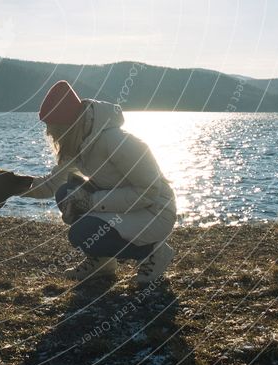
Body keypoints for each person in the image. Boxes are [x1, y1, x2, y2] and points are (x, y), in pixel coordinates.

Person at [21, 80, 176, 284]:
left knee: (82, 233)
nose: (50, 135)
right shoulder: (78, 144)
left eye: (54, 129)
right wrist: (8, 186)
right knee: (65, 192)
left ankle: (154, 252)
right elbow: (51, 185)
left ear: (70, 125)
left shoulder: (116, 141)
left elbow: (149, 191)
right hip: (124, 206)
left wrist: (91, 201)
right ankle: (102, 263)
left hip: (155, 211)